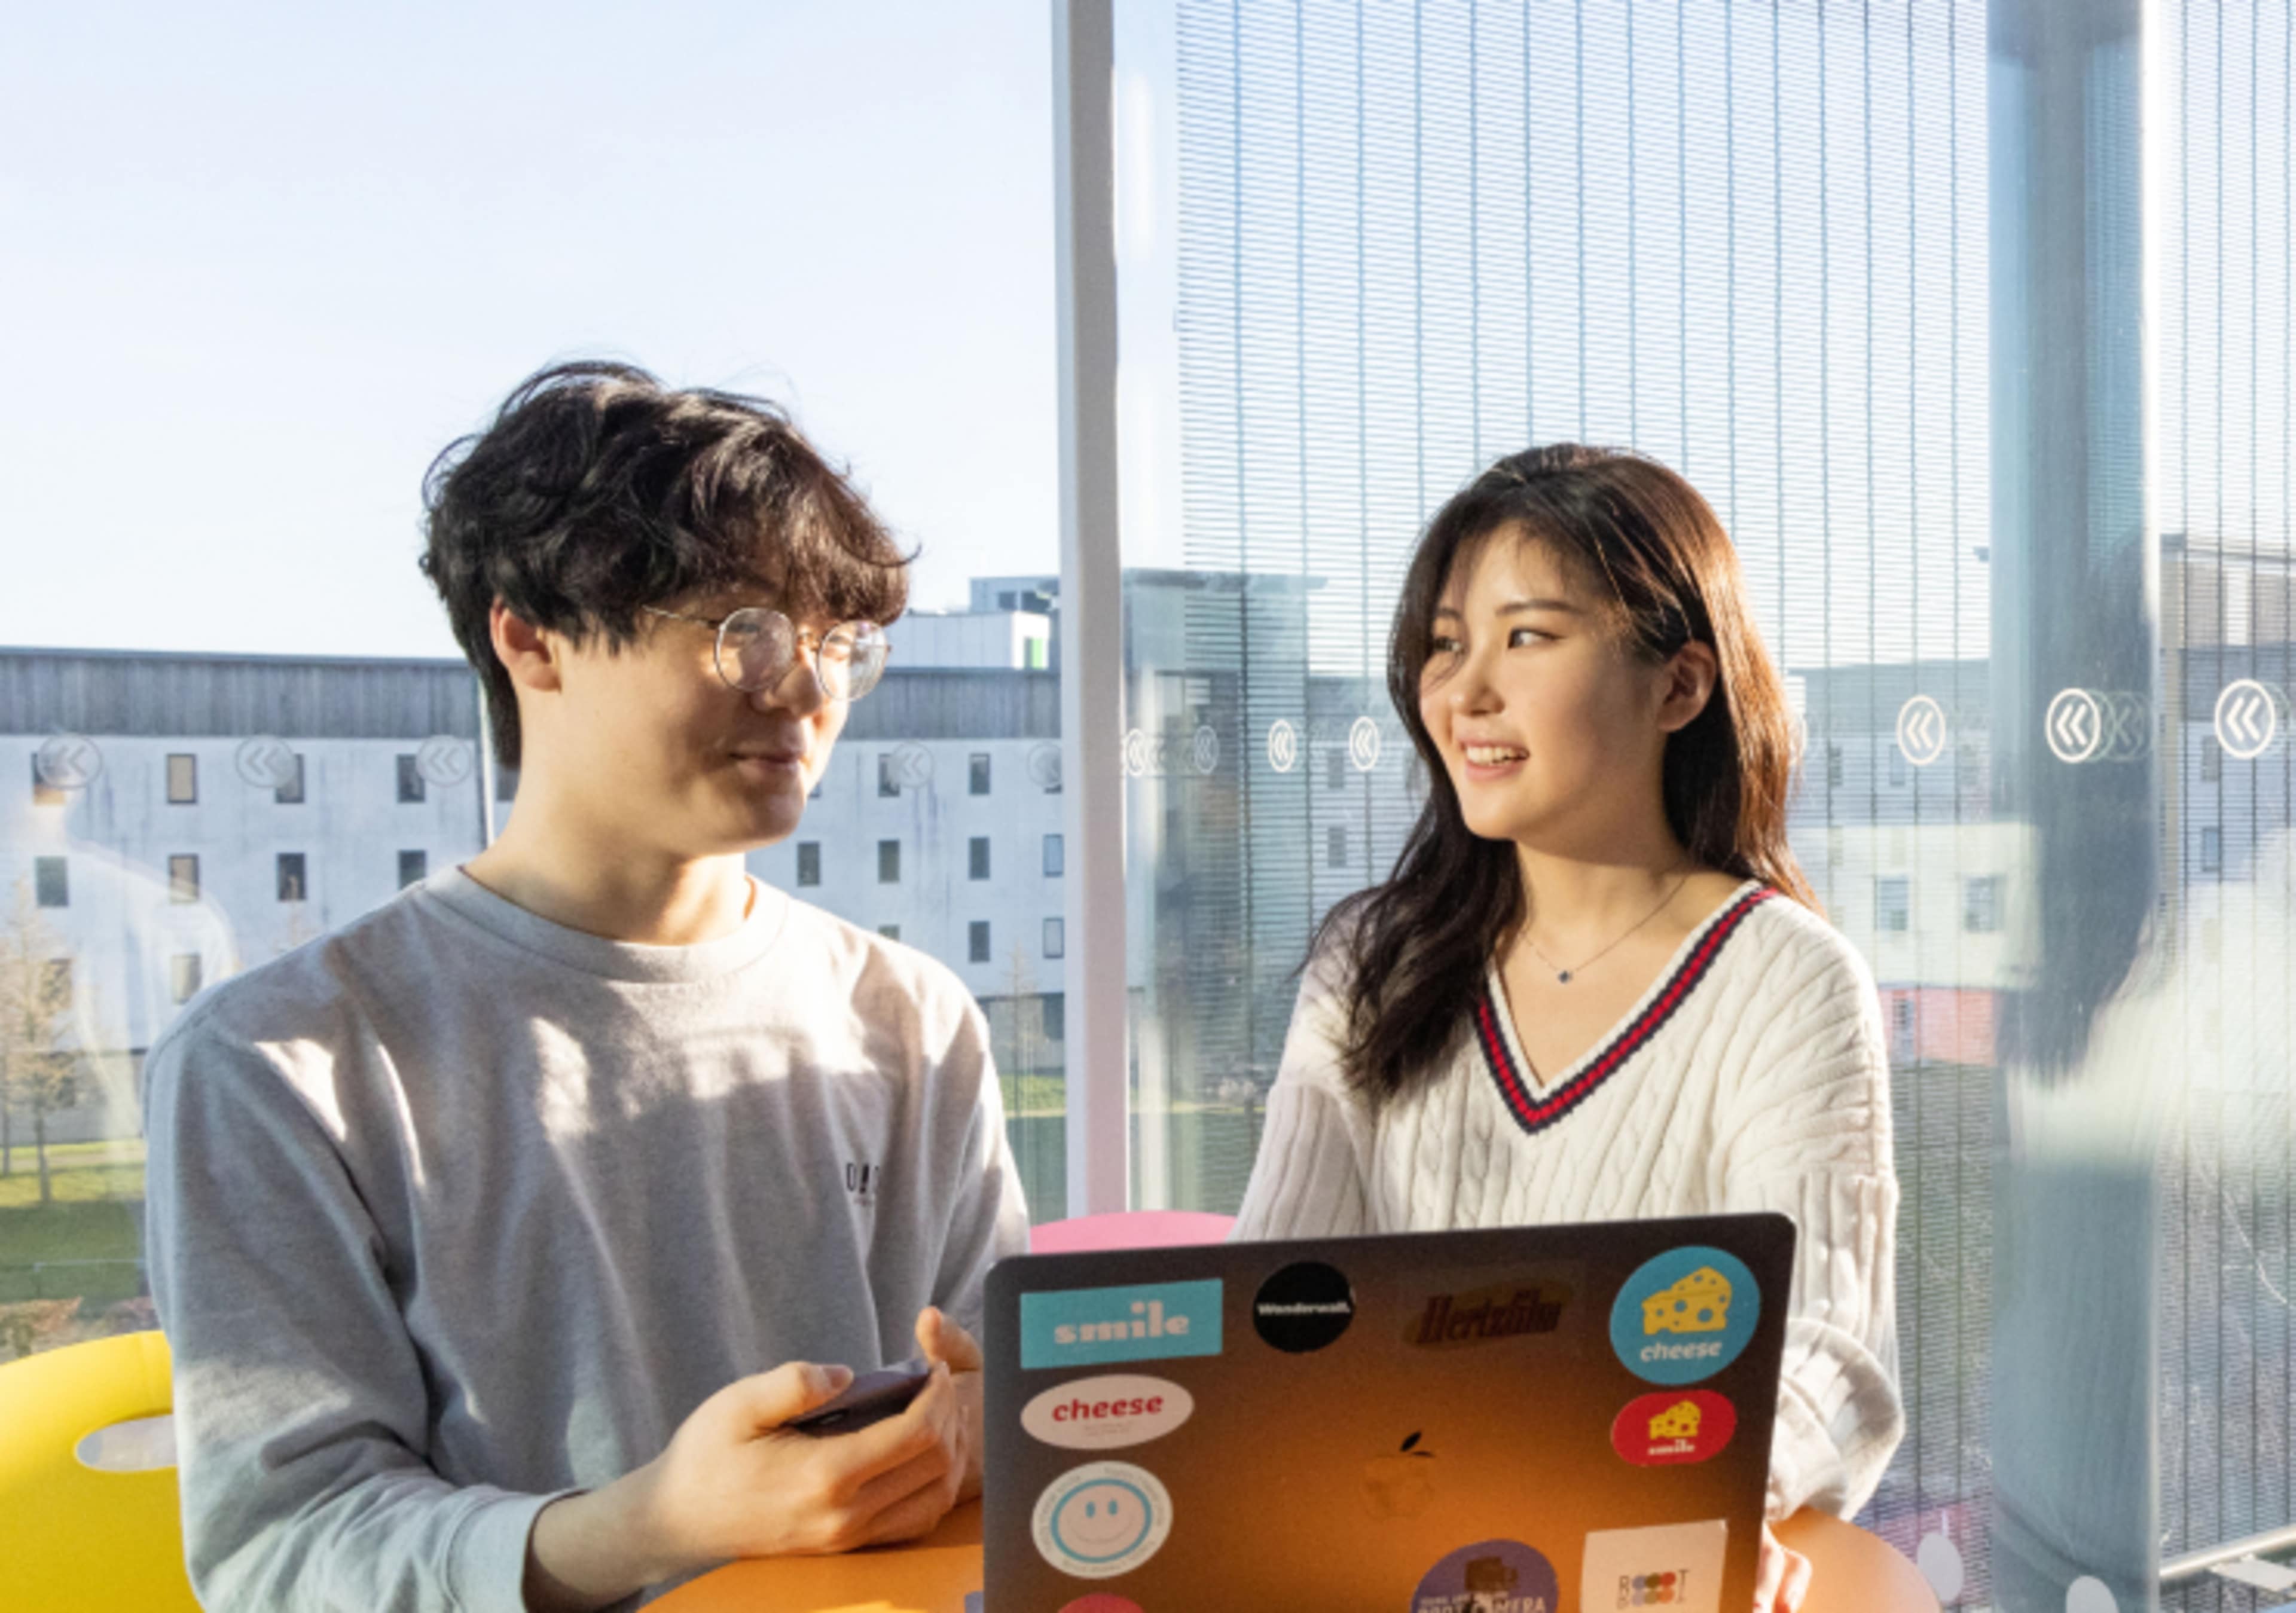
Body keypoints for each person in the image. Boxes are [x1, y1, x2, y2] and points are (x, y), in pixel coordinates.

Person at [142, 362, 1029, 1612]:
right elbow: (282, 1546)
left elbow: (1013, 1395)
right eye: (747, 631)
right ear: (529, 634)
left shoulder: (908, 1015)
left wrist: (992, 1416)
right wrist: (656, 1522)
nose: (812, 691)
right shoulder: (282, 1060)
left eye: (838, 641)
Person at [1232, 445, 1903, 1613]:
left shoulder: (1789, 977)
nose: (1464, 690)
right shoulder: (1371, 961)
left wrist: (1707, 1495)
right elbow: (1278, 1306)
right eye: (1447, 642)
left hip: (1640, 1567)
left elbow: (1825, 1352)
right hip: (1387, 1559)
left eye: (1527, 636)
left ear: (1680, 686)